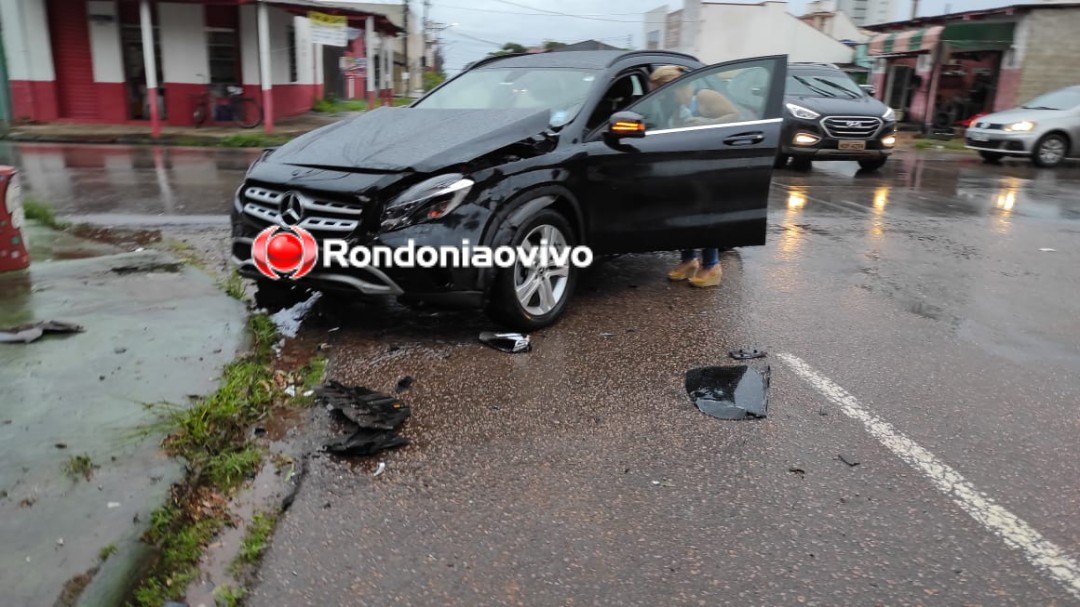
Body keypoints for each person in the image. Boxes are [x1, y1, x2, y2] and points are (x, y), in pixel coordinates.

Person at [648, 65, 724, 288]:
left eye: (658, 92)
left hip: (703, 164)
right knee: (684, 211)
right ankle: (688, 259)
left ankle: (712, 265)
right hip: (682, 165)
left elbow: (733, 118)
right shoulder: (672, 107)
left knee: (703, 212)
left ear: (670, 88)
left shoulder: (702, 98)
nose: (655, 97)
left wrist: (703, 124)